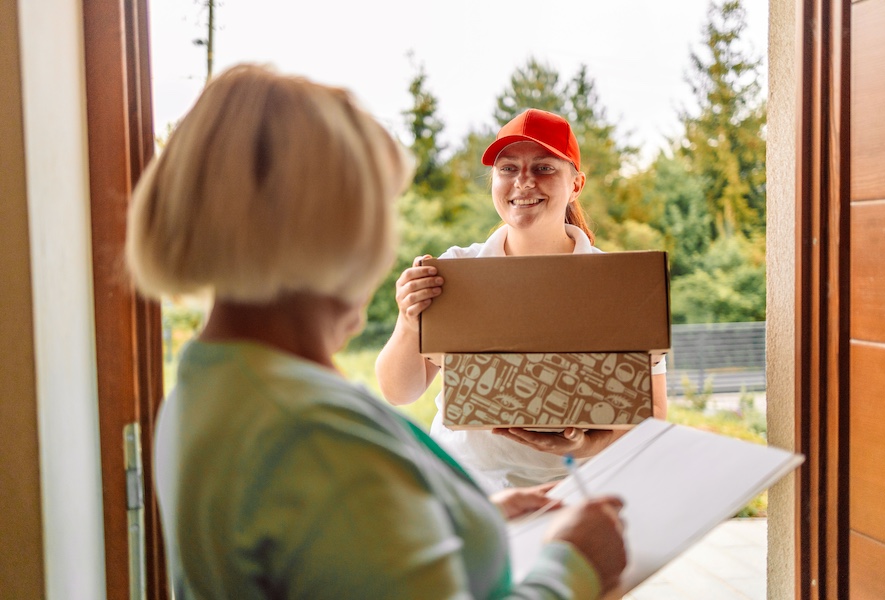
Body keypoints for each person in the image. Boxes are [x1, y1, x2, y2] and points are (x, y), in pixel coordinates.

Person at [126, 64, 627, 599]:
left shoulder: (204, 387)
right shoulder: (318, 439)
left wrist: (458, 522)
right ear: (323, 229)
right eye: (378, 211)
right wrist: (572, 566)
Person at [376, 108, 668, 494]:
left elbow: (653, 413)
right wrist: (408, 320)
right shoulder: (456, 271)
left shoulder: (618, 284)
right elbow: (399, 393)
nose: (524, 182)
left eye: (544, 168)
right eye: (508, 169)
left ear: (576, 185)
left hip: (577, 489)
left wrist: (587, 445)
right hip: (469, 487)